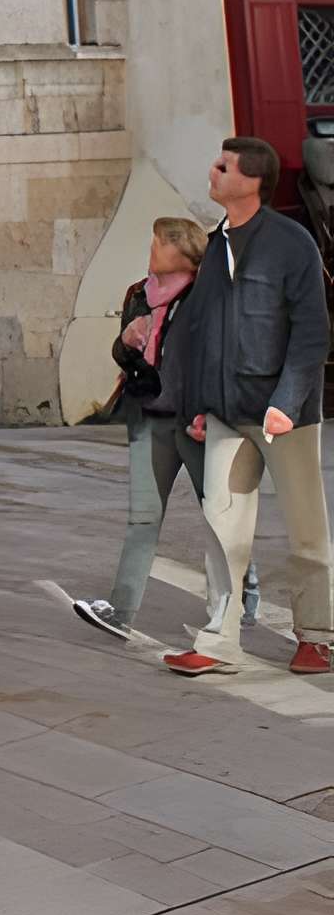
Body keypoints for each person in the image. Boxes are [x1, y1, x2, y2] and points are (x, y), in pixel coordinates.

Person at [165, 137, 334, 678]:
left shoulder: (292, 243)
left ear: (253, 181)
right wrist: (198, 405)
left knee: (306, 530)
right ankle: (220, 643)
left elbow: (312, 332)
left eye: (224, 166)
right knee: (223, 531)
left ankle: (317, 638)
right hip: (225, 412)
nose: (212, 172)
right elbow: (202, 331)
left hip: (285, 416)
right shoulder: (215, 245)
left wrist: (286, 402)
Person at [72, 217, 259, 639]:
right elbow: (125, 358)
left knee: (220, 514)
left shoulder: (209, 296)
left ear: (182, 252)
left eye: (159, 243)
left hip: (197, 422)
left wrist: (214, 411)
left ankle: (244, 593)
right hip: (148, 417)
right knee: (143, 518)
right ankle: (121, 612)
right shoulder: (139, 293)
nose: (151, 250)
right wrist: (126, 341)